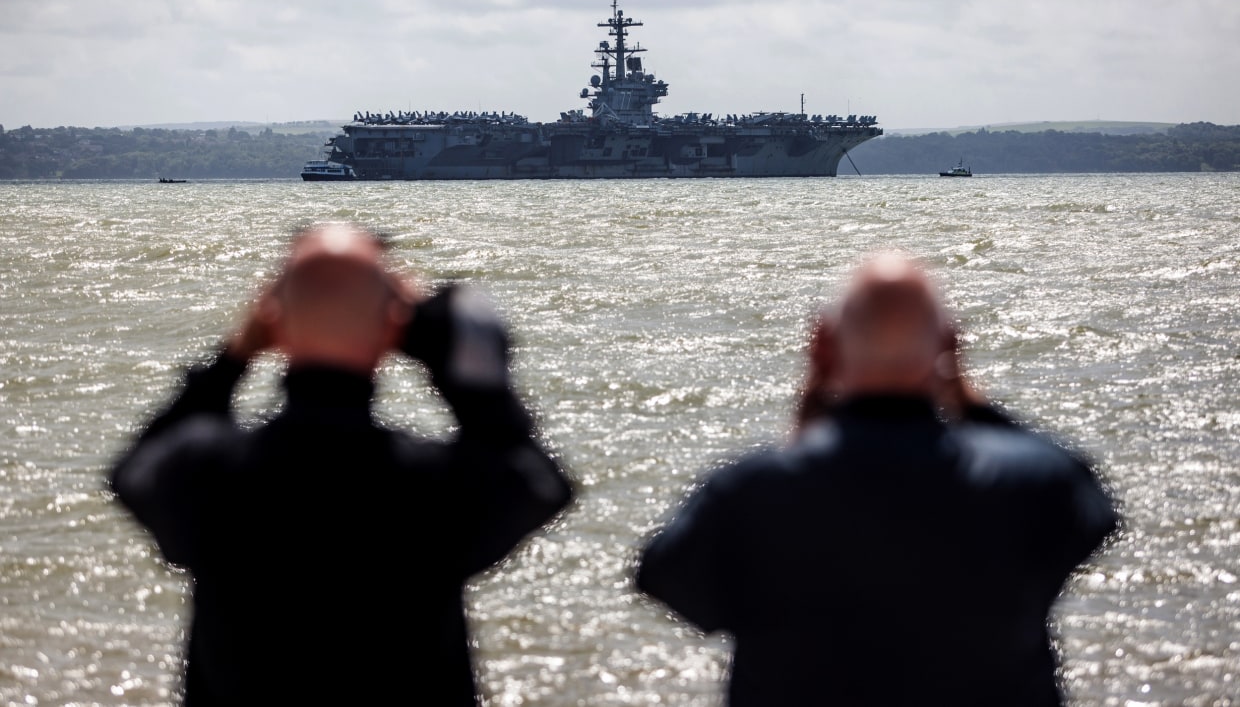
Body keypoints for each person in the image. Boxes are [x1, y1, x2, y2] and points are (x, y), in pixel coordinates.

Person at [109, 223, 574, 705]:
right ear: (395, 330)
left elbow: (133, 468)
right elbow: (538, 481)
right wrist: (445, 353)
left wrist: (233, 357)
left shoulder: (206, 472)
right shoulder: (433, 485)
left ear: (271, 321)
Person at [636, 251, 1118, 706]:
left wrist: (809, 413)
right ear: (948, 344)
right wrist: (968, 399)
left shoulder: (748, 493)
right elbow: (1090, 506)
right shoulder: (1036, 484)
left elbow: (668, 581)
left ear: (823, 345)